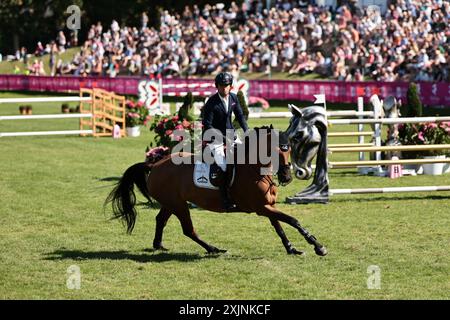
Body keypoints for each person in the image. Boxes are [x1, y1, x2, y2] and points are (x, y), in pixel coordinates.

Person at [202, 72, 248, 211]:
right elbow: (208, 124)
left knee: (246, 157)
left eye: (226, 86)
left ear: (231, 86)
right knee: (223, 165)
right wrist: (222, 139)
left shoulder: (233, 98)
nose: (224, 88)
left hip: (231, 135)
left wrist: (247, 131)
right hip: (215, 138)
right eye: (221, 86)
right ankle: (225, 198)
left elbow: (240, 115)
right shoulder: (211, 102)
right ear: (217, 86)